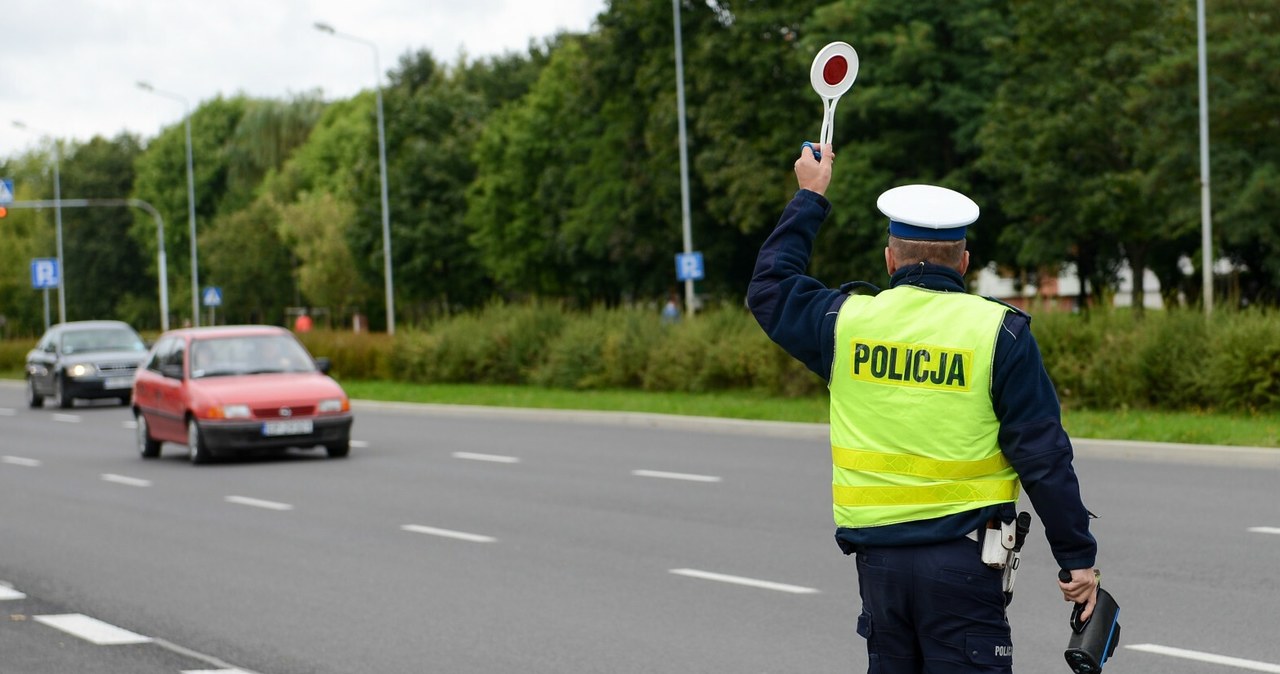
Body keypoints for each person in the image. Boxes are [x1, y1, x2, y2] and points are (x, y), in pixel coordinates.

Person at [747, 142, 1099, 673]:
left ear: (890, 260)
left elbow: (770, 287)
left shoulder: (845, 324)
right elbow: (1042, 455)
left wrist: (810, 195)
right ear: (964, 263)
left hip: (880, 569)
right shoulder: (999, 332)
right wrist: (1077, 559)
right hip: (965, 566)